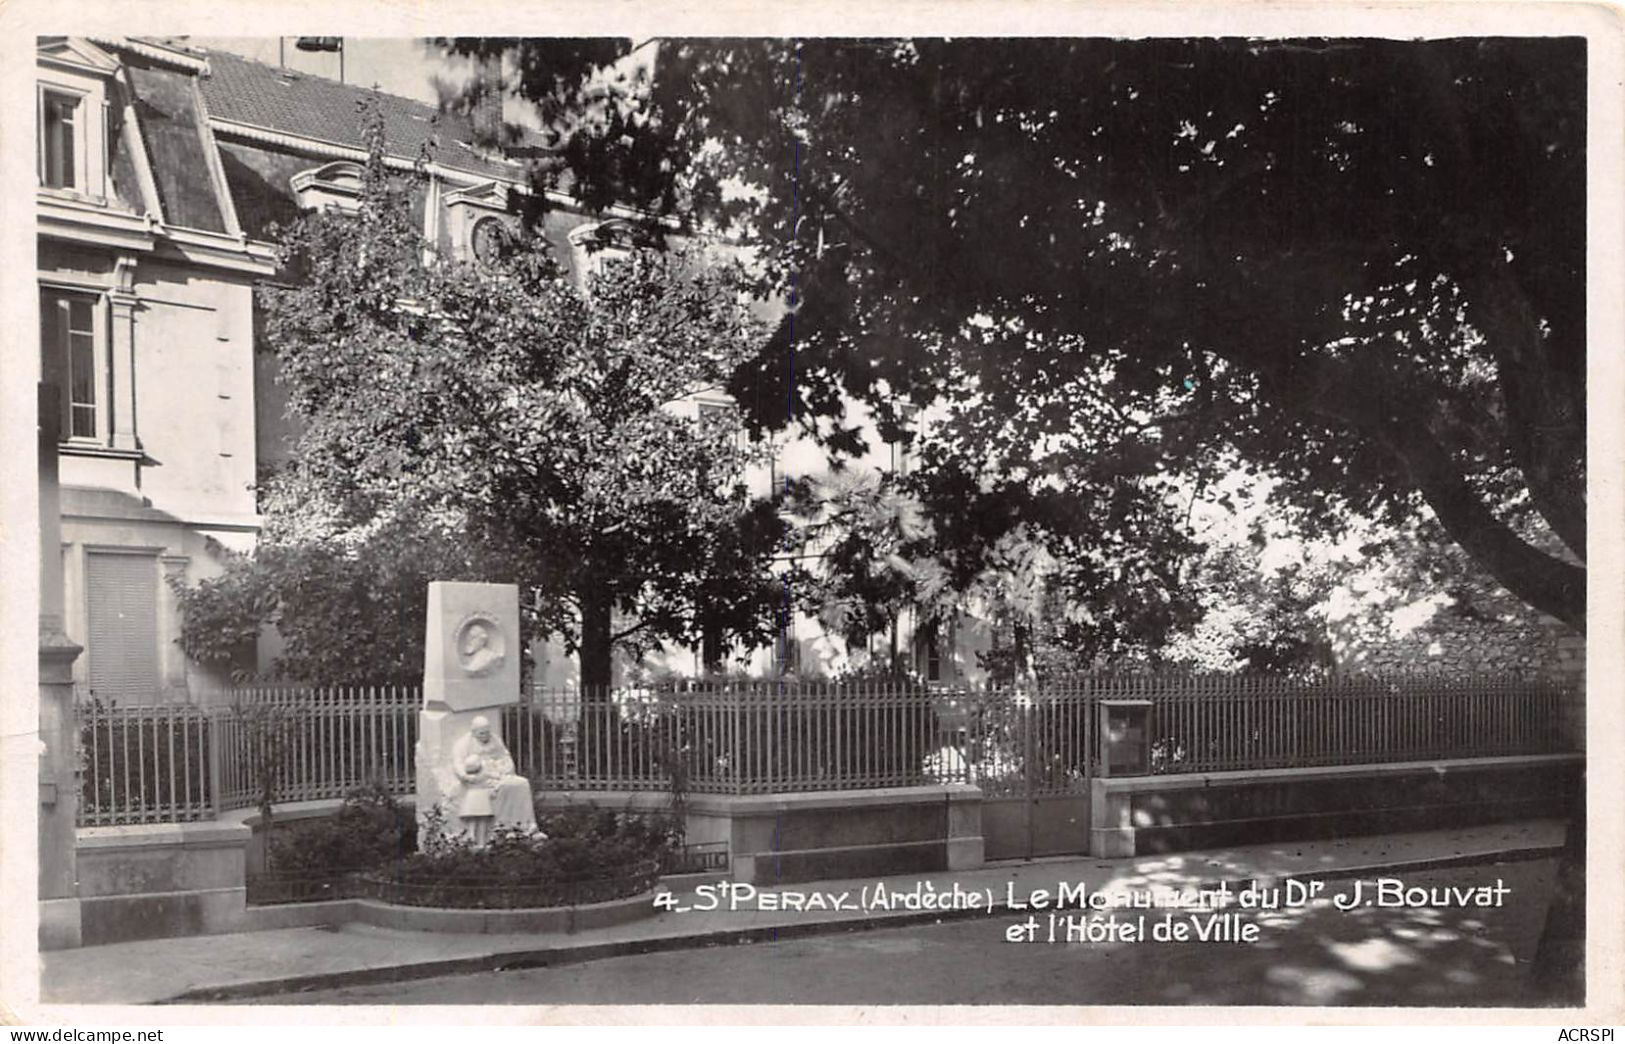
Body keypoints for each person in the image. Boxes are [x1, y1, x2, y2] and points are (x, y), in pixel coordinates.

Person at [446, 715, 538, 841]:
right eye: (481, 733)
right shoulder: (463, 744)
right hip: (481, 779)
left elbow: (506, 756)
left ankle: (526, 824)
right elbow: (458, 763)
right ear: (473, 732)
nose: (485, 736)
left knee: (522, 783)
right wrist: (466, 776)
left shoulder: (495, 739)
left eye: (487, 732)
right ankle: (500, 827)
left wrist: (505, 769)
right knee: (503, 789)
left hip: (500, 774)